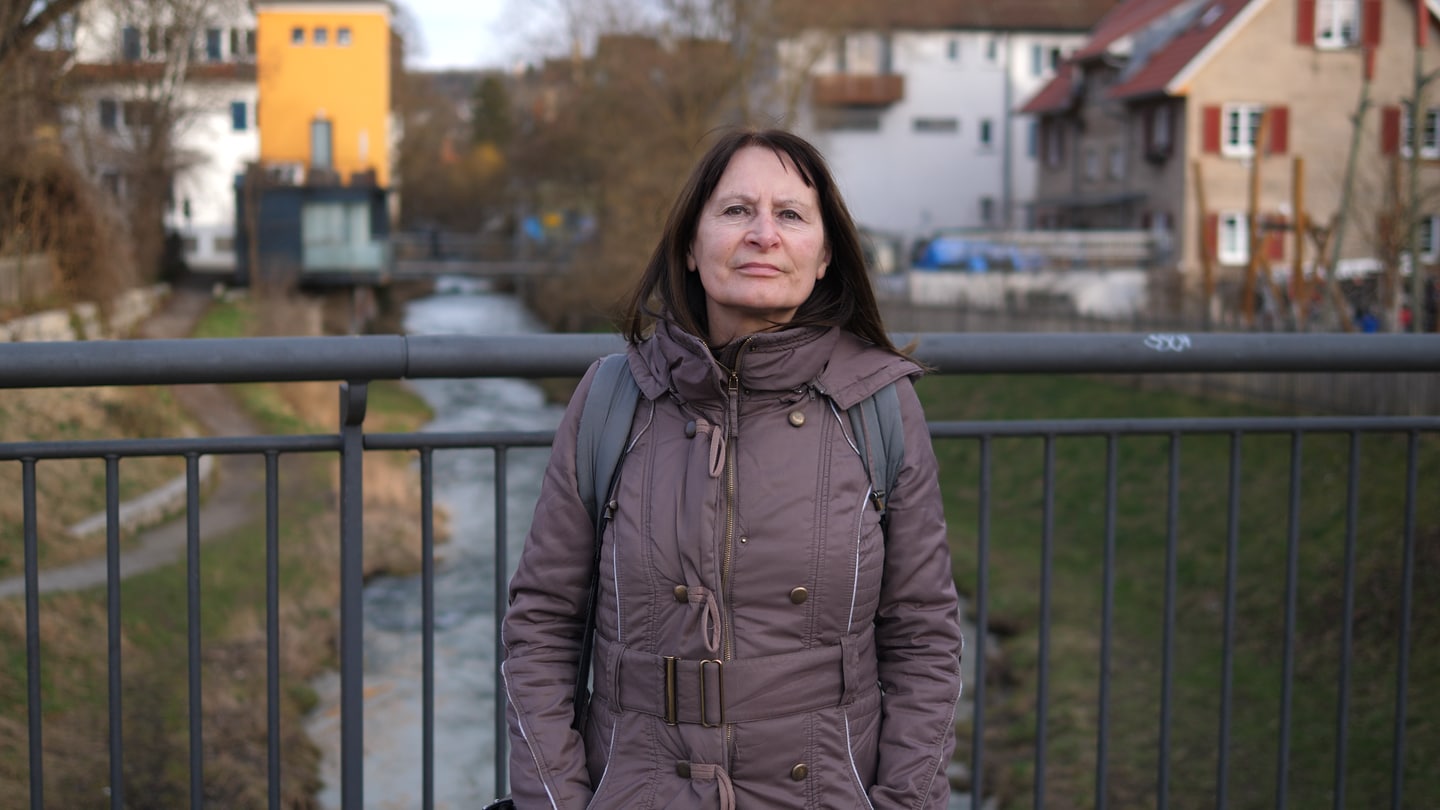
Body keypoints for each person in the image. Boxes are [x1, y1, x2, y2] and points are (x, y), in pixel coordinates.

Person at [501, 128, 964, 809]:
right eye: (736, 210)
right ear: (690, 245)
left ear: (826, 251)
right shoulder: (610, 399)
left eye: (791, 215)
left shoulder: (878, 408)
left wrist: (905, 802)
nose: (763, 235)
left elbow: (924, 638)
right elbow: (541, 624)